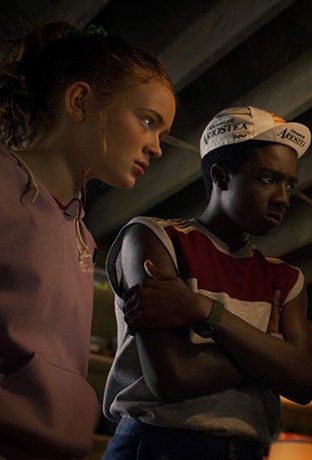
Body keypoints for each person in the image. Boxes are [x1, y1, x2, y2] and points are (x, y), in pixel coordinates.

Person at [100, 106, 312, 460]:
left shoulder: (286, 277)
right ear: (221, 177)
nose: (283, 197)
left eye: (289, 184)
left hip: (246, 452)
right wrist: (269, 355)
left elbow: (305, 381)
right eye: (267, 179)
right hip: (158, 446)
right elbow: (172, 377)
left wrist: (205, 310)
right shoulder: (154, 237)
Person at [0, 22, 175, 459]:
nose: (156, 148)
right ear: (80, 101)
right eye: (147, 121)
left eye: (161, 134)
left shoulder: (80, 231)